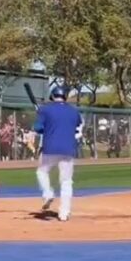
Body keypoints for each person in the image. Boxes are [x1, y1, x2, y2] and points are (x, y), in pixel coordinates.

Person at [34, 85, 83, 221]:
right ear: (65, 96)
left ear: (52, 95)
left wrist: (41, 117)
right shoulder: (74, 111)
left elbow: (38, 128)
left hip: (50, 148)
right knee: (66, 181)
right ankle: (64, 213)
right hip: (68, 149)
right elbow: (76, 126)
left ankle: (47, 193)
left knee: (42, 172)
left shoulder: (45, 110)